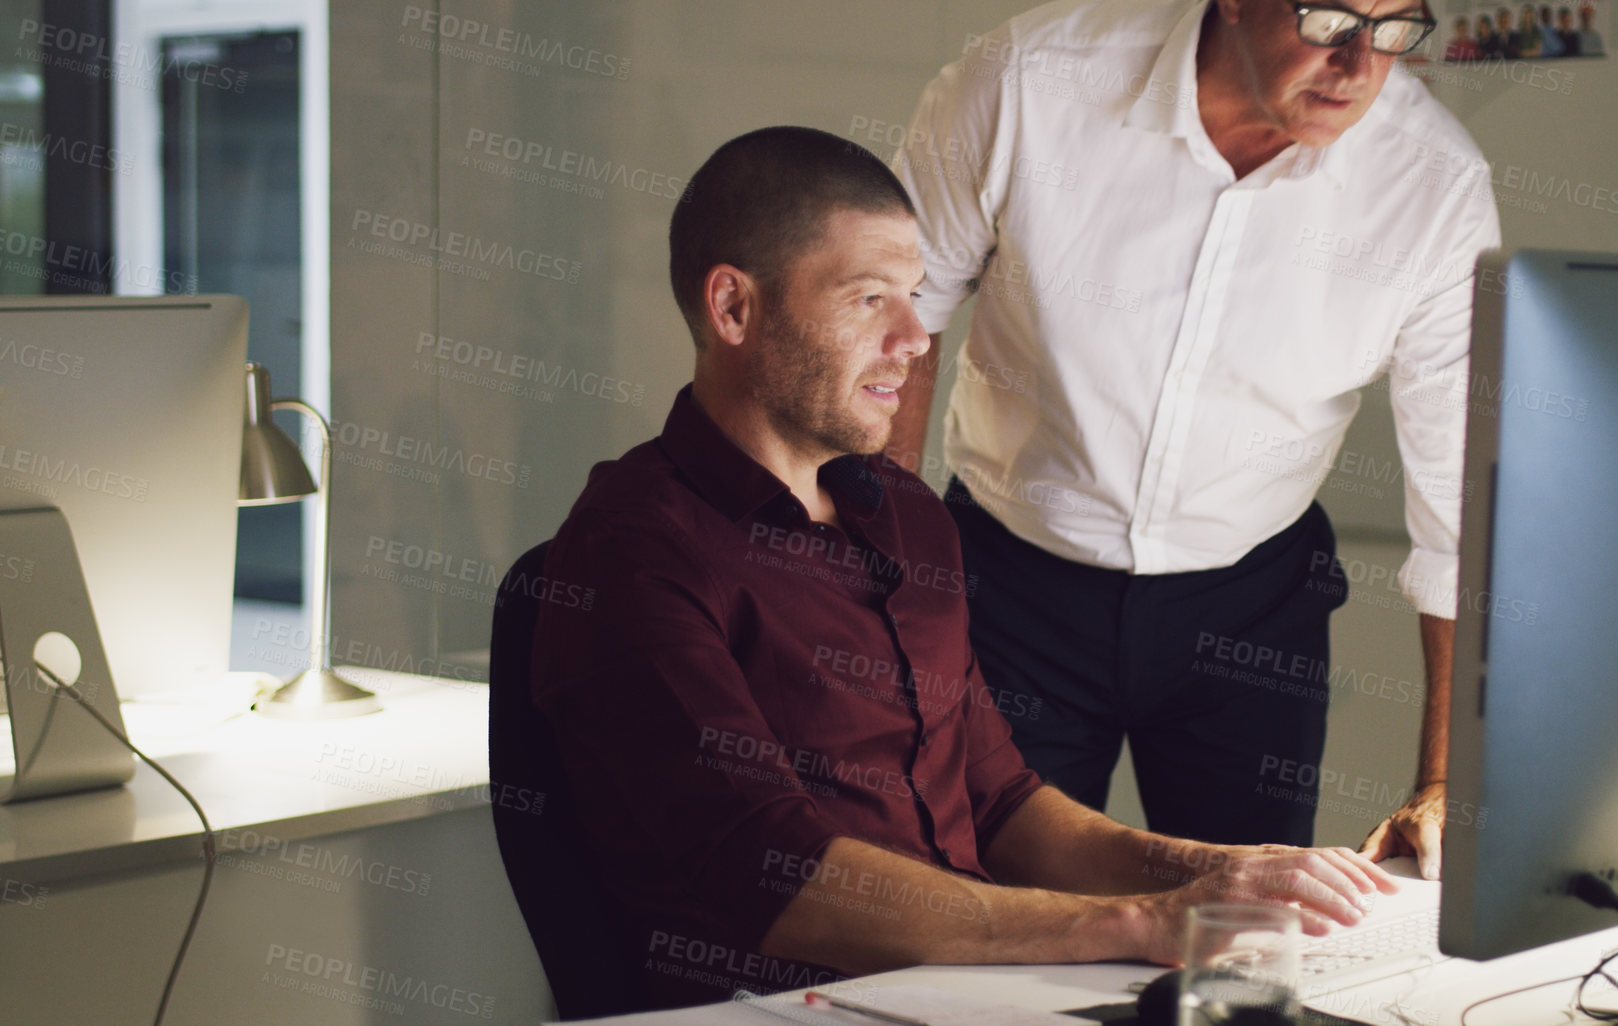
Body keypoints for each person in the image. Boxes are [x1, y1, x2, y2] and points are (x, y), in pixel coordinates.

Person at [530, 126, 1395, 1012]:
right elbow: (770, 873)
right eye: (870, 300)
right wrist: (1137, 921)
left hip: (963, 993)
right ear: (734, 309)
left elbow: (999, 799)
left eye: (915, 295)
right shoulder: (632, 550)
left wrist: (1219, 873)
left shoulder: (907, 518)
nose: (914, 336)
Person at [892, 0, 1501, 877]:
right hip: (1008, 589)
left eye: (1398, 26)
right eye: (1331, 19)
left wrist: (1445, 781)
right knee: (993, 909)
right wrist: (886, 588)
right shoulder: (1029, 81)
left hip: (1252, 606)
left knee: (1244, 943)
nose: (1361, 65)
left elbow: (1462, 506)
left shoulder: (1433, 187)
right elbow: (894, 321)